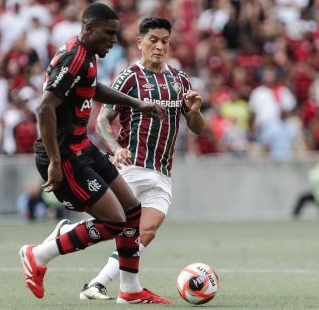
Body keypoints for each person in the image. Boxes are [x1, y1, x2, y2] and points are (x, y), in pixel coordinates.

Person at [43, 16, 206, 300]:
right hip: (130, 167)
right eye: (153, 40)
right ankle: (72, 240)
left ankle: (100, 283)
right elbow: (103, 120)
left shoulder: (179, 80)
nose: (159, 46)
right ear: (140, 42)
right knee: (117, 223)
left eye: (165, 41)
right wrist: (115, 148)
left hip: (162, 172)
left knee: (146, 231)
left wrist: (194, 112)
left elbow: (197, 128)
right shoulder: (130, 76)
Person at [18, 3, 171, 304]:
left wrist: (137, 104)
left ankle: (129, 289)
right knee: (115, 221)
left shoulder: (86, 55)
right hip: (65, 156)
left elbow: (91, 88)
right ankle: (37, 254)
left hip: (82, 149)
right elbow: (44, 107)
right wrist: (55, 161)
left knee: (132, 211)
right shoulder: (74, 57)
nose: (113, 41)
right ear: (89, 28)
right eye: (109, 34)